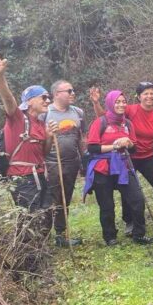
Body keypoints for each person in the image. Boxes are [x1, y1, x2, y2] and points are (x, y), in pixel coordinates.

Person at [90, 83, 153, 233]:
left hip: (147, 156)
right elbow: (107, 117)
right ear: (138, 96)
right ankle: (130, 222)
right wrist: (96, 103)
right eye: (145, 93)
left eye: (152, 93)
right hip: (126, 157)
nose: (149, 96)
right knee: (128, 189)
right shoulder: (130, 109)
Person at [0, 54, 57, 239]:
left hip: (41, 175)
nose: (48, 101)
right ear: (30, 101)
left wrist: (49, 138)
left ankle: (40, 253)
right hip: (21, 178)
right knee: (29, 220)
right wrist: (0, 76)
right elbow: (8, 99)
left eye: (48, 97)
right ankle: (28, 261)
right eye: (44, 97)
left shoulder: (41, 124)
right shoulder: (17, 118)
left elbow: (43, 153)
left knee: (47, 214)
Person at [83, 90, 153, 246]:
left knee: (137, 199)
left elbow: (134, 149)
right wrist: (115, 146)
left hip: (123, 165)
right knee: (107, 205)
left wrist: (129, 144)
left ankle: (139, 234)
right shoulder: (100, 122)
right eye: (117, 102)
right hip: (102, 168)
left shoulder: (127, 124)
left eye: (123, 101)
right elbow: (93, 148)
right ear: (110, 104)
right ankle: (110, 237)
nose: (121, 105)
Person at [43, 80, 86, 247]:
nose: (73, 93)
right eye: (68, 90)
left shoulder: (78, 112)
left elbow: (81, 138)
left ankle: (60, 235)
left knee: (65, 199)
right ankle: (42, 237)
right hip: (52, 163)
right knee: (51, 200)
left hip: (72, 162)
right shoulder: (45, 113)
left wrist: (84, 161)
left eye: (73, 90)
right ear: (56, 94)